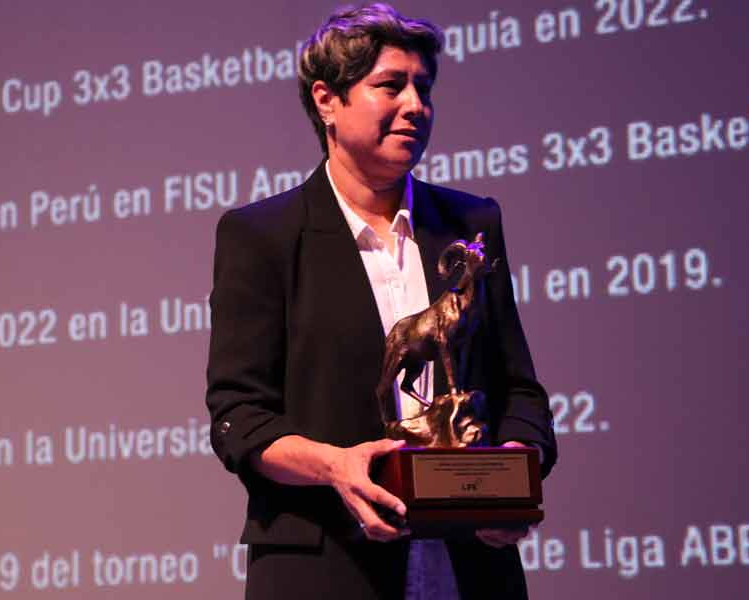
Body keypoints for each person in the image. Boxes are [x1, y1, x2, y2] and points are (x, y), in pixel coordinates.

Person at [205, 4, 557, 599]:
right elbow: (241, 417)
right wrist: (335, 466)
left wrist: (509, 476)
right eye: (391, 85)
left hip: (469, 570)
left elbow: (519, 389)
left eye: (425, 87)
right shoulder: (261, 235)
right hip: (327, 566)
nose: (416, 105)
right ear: (326, 101)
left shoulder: (471, 224)